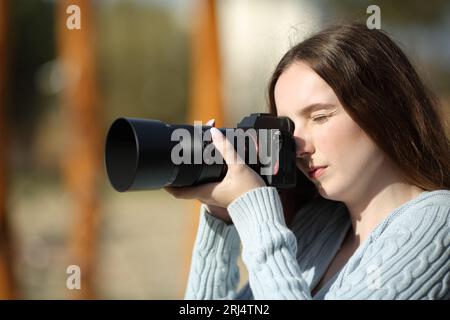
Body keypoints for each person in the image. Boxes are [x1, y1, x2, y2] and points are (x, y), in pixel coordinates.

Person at [165, 22, 450, 299]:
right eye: (287, 128)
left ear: (383, 108)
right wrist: (221, 220)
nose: (297, 145)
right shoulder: (316, 225)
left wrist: (256, 213)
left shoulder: (440, 222)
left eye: (319, 117)